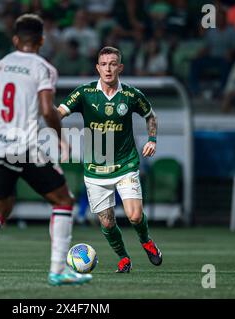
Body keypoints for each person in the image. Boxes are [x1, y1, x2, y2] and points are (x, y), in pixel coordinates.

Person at [0, 14, 92, 287]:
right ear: (41, 40)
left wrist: (0, 127)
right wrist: (61, 139)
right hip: (25, 147)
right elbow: (46, 110)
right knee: (63, 200)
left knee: (0, 209)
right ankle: (58, 271)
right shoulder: (44, 68)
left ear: (16, 40)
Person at [57, 46, 163, 273]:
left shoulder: (131, 95)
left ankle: (146, 241)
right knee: (107, 222)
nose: (108, 68)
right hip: (95, 169)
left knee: (134, 216)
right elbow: (59, 112)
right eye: (104, 64)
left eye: (113, 63)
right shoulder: (84, 93)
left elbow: (150, 116)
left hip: (125, 164)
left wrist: (152, 139)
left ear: (120, 67)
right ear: (97, 67)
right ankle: (124, 258)